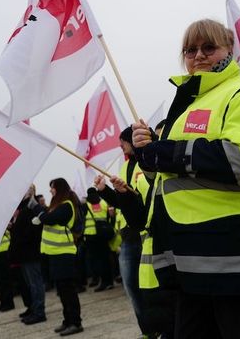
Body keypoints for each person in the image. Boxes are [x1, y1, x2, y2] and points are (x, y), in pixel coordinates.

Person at [132, 19, 240, 339]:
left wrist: (169, 153)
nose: (198, 55)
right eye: (189, 50)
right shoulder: (189, 105)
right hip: (192, 261)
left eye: (208, 47)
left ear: (230, 50)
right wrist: (150, 156)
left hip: (237, 261)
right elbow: (180, 180)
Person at [96, 127, 150, 336]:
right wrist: (104, 191)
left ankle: (161, 328)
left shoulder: (149, 160)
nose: (120, 146)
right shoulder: (125, 166)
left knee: (152, 289)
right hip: (128, 238)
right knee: (131, 287)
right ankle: (147, 330)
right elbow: (122, 203)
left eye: (122, 142)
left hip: (146, 235)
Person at [28, 178, 83, 336]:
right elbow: (46, 216)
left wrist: (35, 206)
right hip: (56, 254)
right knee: (62, 291)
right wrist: (40, 212)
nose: (51, 190)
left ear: (59, 188)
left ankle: (76, 322)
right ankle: (68, 321)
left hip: (64, 254)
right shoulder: (58, 205)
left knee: (68, 291)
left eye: (52, 187)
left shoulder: (67, 205)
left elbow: (48, 218)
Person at [9, 185, 46, 324]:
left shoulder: (32, 207)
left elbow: (33, 231)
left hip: (30, 252)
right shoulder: (23, 207)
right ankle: (32, 308)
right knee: (30, 284)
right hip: (23, 253)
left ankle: (39, 312)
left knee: (36, 283)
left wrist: (19, 237)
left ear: (30, 192)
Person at [83, 187, 114, 292]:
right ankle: (109, 281)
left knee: (96, 260)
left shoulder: (86, 205)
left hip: (91, 236)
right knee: (105, 258)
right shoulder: (104, 202)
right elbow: (110, 216)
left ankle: (103, 281)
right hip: (103, 234)